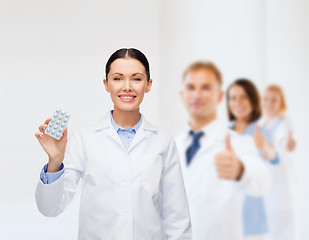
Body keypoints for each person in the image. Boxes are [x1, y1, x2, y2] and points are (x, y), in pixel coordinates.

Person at [35, 48, 192, 240]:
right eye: (118, 78)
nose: (127, 87)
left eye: (136, 79)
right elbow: (50, 208)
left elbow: (177, 218)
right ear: (106, 84)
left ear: (148, 85)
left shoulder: (163, 142)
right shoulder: (84, 139)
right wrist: (55, 161)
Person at [175, 61, 271, 240]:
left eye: (205, 88)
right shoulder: (173, 145)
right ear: (182, 95)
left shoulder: (238, 143)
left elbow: (263, 182)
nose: (197, 95)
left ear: (219, 96)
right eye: (191, 87)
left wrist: (240, 170)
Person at [226, 79, 279, 240]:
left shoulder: (261, 132)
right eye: (233, 98)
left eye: (244, 97)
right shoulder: (223, 133)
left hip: (253, 222)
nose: (238, 103)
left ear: (253, 100)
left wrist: (264, 147)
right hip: (227, 218)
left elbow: (273, 156)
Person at [259, 84, 297, 240]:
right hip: (265, 190)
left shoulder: (284, 123)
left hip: (280, 191)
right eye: (266, 99)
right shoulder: (260, 126)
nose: (269, 103)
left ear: (281, 103)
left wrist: (286, 144)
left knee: (281, 233)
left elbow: (284, 142)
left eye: (274, 100)